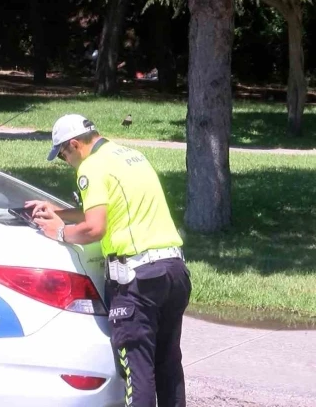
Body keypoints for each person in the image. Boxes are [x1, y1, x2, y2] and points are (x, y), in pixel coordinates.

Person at [27, 114, 192, 407]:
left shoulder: (91, 166)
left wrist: (60, 231)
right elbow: (106, 210)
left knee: (139, 374)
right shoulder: (130, 155)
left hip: (138, 281)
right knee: (168, 364)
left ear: (74, 145)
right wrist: (60, 211)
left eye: (64, 156)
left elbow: (94, 227)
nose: (68, 163)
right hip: (174, 272)